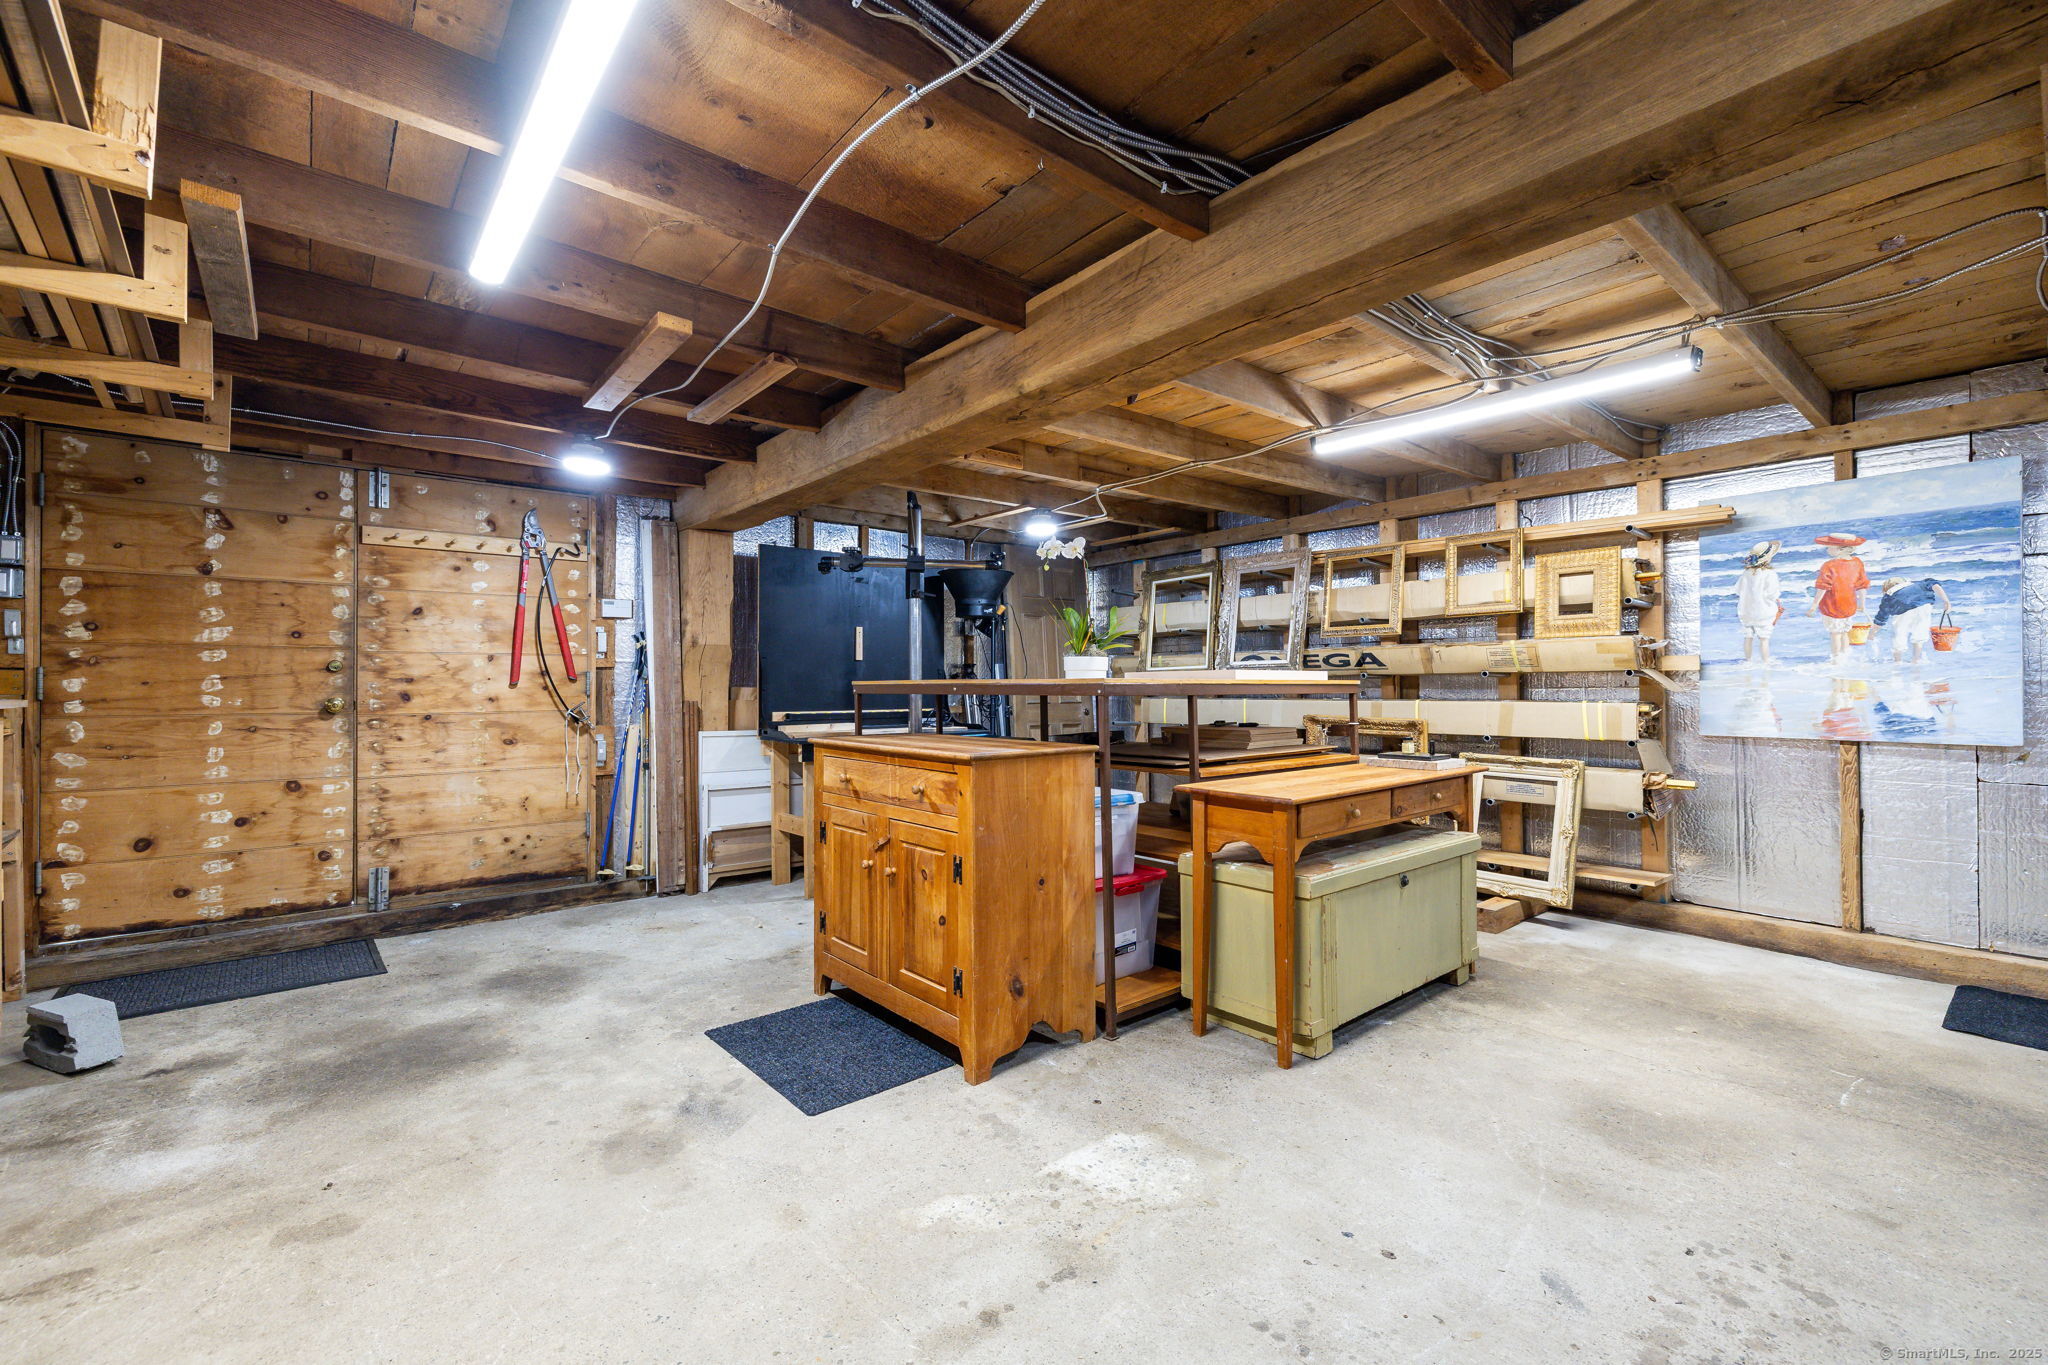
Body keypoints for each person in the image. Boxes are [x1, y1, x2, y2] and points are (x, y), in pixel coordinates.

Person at [1809, 533, 1870, 663]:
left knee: (1835, 633)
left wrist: (1814, 605)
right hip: (1849, 604)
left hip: (1832, 605)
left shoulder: (1829, 565)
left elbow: (1822, 587)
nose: (1827, 549)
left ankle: (1836, 659)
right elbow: (1862, 585)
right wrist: (1862, 604)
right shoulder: (1857, 563)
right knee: (1844, 632)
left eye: (1829, 546)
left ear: (1840, 548)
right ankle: (1845, 655)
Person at [1873, 575, 1951, 664]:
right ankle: (1916, 660)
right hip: (1924, 606)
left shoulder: (1889, 595)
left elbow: (1882, 616)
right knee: (1919, 633)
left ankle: (1898, 661)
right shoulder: (1920, 584)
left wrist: (1873, 632)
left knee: (1899, 634)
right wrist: (1946, 601)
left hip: (1902, 610)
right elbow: (1935, 584)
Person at [1734, 539, 1782, 663]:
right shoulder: (1770, 574)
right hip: (1763, 611)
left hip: (1746, 611)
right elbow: (1773, 594)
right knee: (1764, 639)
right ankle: (1765, 662)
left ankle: (1748, 661)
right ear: (1767, 558)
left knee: (1748, 637)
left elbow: (1738, 590)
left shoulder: (1746, 573)